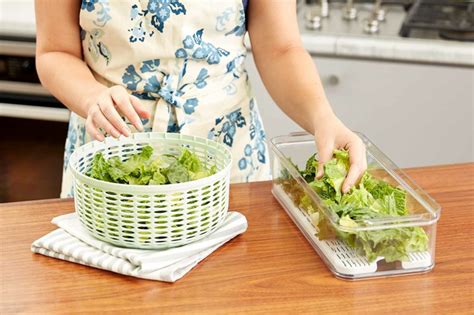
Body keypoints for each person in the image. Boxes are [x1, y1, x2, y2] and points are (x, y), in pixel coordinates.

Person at [35, 0, 366, 198]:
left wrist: (323, 119)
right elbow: (54, 51)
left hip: (228, 159)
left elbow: (280, 49)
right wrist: (92, 97)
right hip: (111, 157)